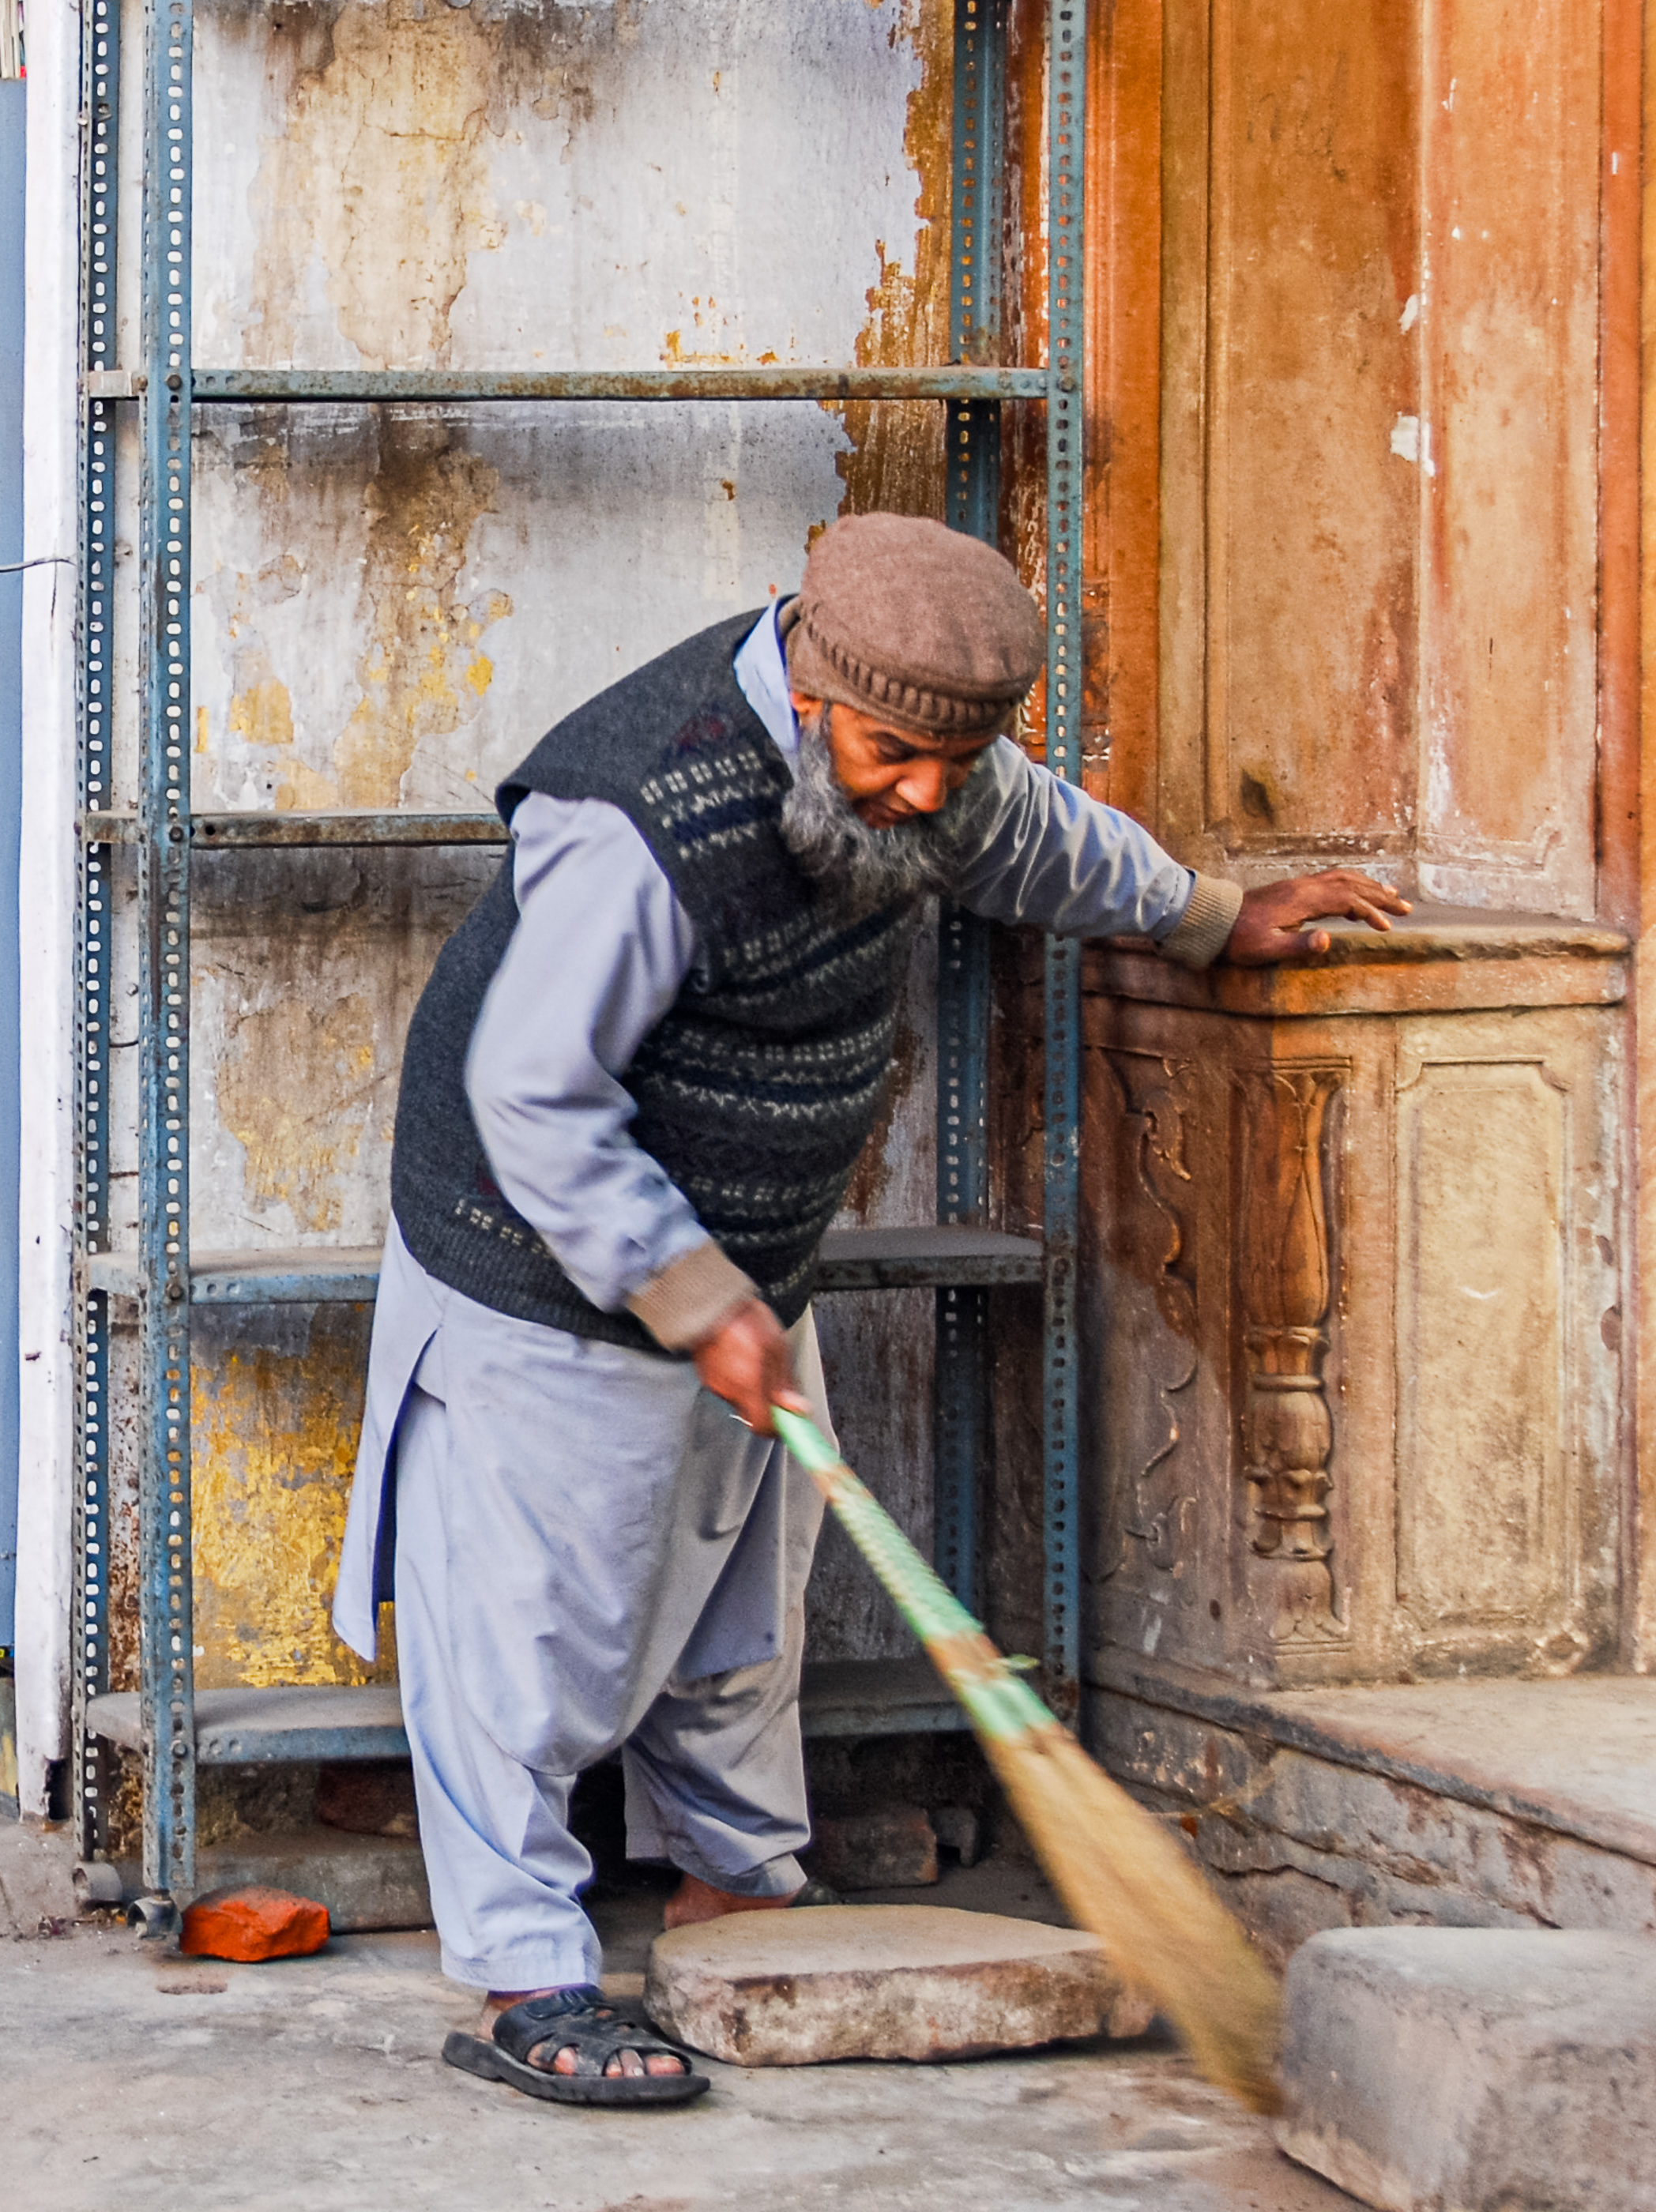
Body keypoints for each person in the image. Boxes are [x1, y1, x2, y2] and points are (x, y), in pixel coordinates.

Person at [329, 512, 1406, 2108]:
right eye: (896, 754)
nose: (922, 794)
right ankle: (520, 1968)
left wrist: (1205, 910)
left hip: (743, 1253)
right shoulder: (641, 816)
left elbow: (1034, 836)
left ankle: (733, 1884)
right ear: (814, 692)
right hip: (537, 1255)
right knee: (527, 1626)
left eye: (947, 766)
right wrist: (689, 1293)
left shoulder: (934, 768)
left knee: (739, 1593)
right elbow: (535, 1096)